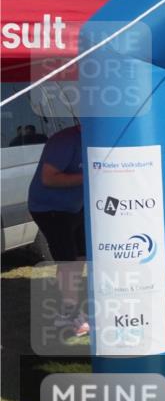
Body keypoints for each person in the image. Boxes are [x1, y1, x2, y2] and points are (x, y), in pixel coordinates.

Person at [28, 124, 88, 337]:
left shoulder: (100, 136)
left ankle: (71, 305)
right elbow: (49, 178)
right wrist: (90, 176)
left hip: (75, 206)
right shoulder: (64, 141)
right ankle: (69, 315)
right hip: (49, 208)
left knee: (82, 256)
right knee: (67, 260)